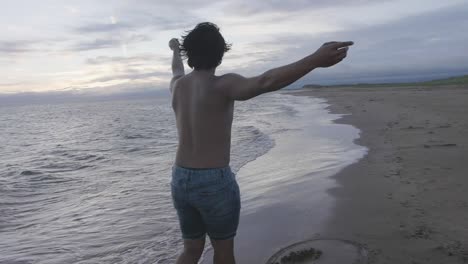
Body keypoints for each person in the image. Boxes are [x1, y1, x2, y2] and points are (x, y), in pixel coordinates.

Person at [168, 22, 353, 264]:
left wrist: (174, 50)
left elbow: (176, 70)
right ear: (220, 55)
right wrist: (314, 60)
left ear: (188, 52)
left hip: (180, 178)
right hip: (213, 181)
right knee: (222, 252)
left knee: (191, 250)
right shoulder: (222, 84)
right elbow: (266, 81)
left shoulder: (177, 86)